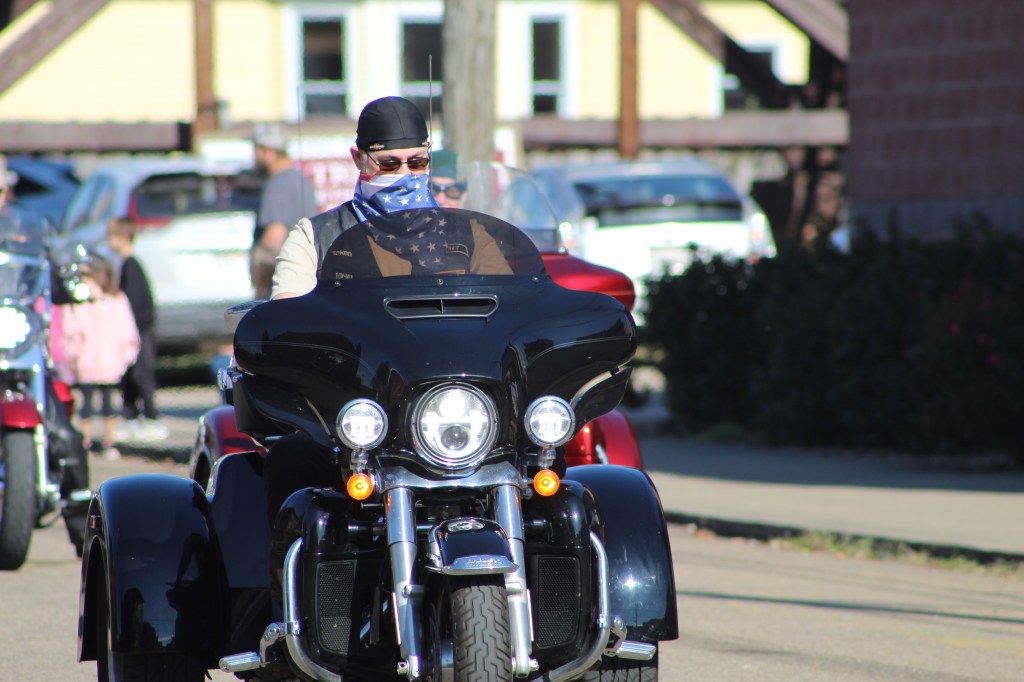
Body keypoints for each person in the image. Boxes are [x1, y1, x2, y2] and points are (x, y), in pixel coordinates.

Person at [271, 97, 510, 300]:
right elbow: (287, 325)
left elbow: (509, 309)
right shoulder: (315, 237)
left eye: (417, 162)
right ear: (358, 159)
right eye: (389, 164)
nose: (405, 175)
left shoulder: (469, 233)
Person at [61, 253, 140, 460]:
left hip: (108, 362)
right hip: (88, 362)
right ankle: (85, 441)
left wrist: (126, 356)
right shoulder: (80, 302)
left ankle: (109, 441)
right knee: (86, 404)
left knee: (108, 403)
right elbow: (72, 333)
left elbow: (127, 331)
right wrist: (72, 357)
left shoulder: (116, 300)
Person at [106, 216, 168, 443]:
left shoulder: (131, 266)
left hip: (138, 331)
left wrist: (133, 332)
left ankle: (152, 417)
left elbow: (136, 304)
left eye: (111, 236)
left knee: (142, 374)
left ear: (123, 238)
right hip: (135, 331)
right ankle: (131, 416)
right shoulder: (127, 264)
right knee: (130, 375)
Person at [249, 123, 318, 300]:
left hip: (282, 284)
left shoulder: (277, 184)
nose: (254, 156)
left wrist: (259, 288)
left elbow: (275, 236)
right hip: (304, 280)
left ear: (268, 151)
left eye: (256, 150)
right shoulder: (300, 179)